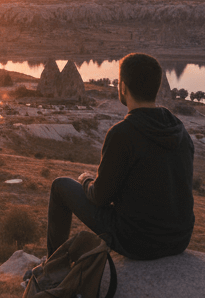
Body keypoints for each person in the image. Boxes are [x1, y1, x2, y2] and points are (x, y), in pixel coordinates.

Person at [45, 52, 194, 260]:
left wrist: (86, 180)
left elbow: (100, 197)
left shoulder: (122, 133)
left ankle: (53, 264)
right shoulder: (180, 131)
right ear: (157, 87)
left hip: (136, 242)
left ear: (122, 87)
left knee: (60, 186)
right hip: (179, 240)